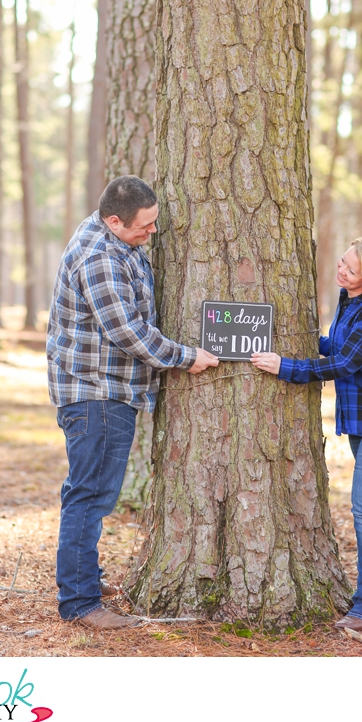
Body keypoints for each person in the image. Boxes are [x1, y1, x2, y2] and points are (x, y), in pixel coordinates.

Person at [46, 175, 219, 629]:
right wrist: (185, 357)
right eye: (145, 226)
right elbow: (126, 332)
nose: (153, 233)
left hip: (107, 390)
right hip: (97, 394)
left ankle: (82, 577)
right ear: (114, 221)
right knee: (91, 496)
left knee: (89, 493)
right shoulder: (100, 256)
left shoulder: (117, 240)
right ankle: (80, 603)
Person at [251, 235, 362, 633]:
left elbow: (345, 363)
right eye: (342, 262)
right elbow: (335, 346)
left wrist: (287, 367)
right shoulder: (350, 303)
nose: (341, 269)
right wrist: (297, 339)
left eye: (350, 266)